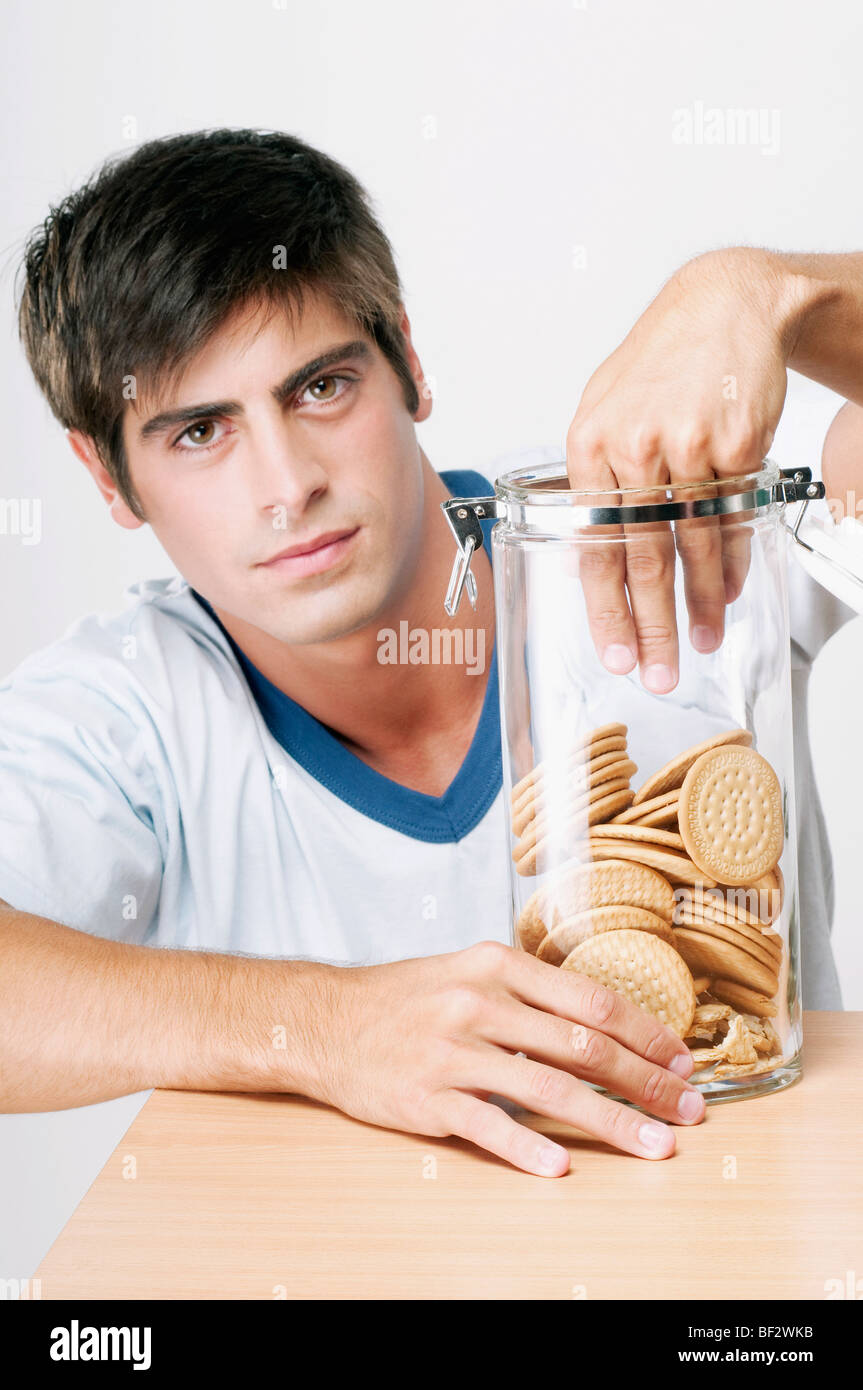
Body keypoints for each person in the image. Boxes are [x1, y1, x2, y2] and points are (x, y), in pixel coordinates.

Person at [0, 129, 856, 1176]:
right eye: (197, 433)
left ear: (407, 360)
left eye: (319, 388)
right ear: (104, 475)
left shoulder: (653, 526)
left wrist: (770, 295)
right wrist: (322, 1027)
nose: (287, 484)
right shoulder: (129, 709)